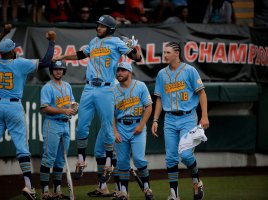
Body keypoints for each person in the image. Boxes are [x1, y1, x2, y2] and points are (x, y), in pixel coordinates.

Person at [53, 14, 141, 196]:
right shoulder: (93, 41)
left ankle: (109, 162)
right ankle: (81, 160)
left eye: (101, 26)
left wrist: (134, 48)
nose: (98, 28)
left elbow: (137, 58)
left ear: (109, 28)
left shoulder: (116, 42)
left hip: (106, 89)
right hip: (89, 88)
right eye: (98, 25)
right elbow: (79, 54)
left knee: (108, 128)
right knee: (81, 127)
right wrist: (62, 55)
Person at [0, 24, 56, 200]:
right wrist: (51, 42)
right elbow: (46, 62)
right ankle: (28, 186)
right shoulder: (20, 63)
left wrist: (3, 33)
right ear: (12, 52)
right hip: (14, 107)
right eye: (13, 49)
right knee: (21, 147)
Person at [151, 42, 209, 200]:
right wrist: (155, 119)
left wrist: (204, 116)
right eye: (165, 52)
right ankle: (174, 195)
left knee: (184, 154)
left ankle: (197, 180)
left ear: (177, 53)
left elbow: (202, 93)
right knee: (170, 157)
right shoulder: (162, 74)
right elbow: (159, 99)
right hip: (169, 119)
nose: (165, 55)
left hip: (188, 117)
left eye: (168, 52)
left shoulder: (190, 70)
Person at [112, 62, 153, 200]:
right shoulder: (113, 90)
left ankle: (147, 188)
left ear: (129, 72)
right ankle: (124, 192)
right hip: (121, 127)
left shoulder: (140, 86)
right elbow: (110, 114)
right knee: (122, 162)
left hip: (137, 126)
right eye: (118, 70)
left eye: (123, 70)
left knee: (139, 159)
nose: (119, 73)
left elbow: (148, 107)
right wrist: (115, 132)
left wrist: (141, 125)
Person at [39, 61, 78, 200]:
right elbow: (45, 108)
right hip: (52, 123)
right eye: (55, 69)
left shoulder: (67, 86)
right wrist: (63, 110)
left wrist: (74, 106)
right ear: (52, 71)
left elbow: (72, 102)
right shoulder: (47, 88)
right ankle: (44, 191)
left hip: (65, 124)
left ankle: (57, 190)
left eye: (61, 69)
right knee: (48, 158)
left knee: (60, 160)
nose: (58, 71)